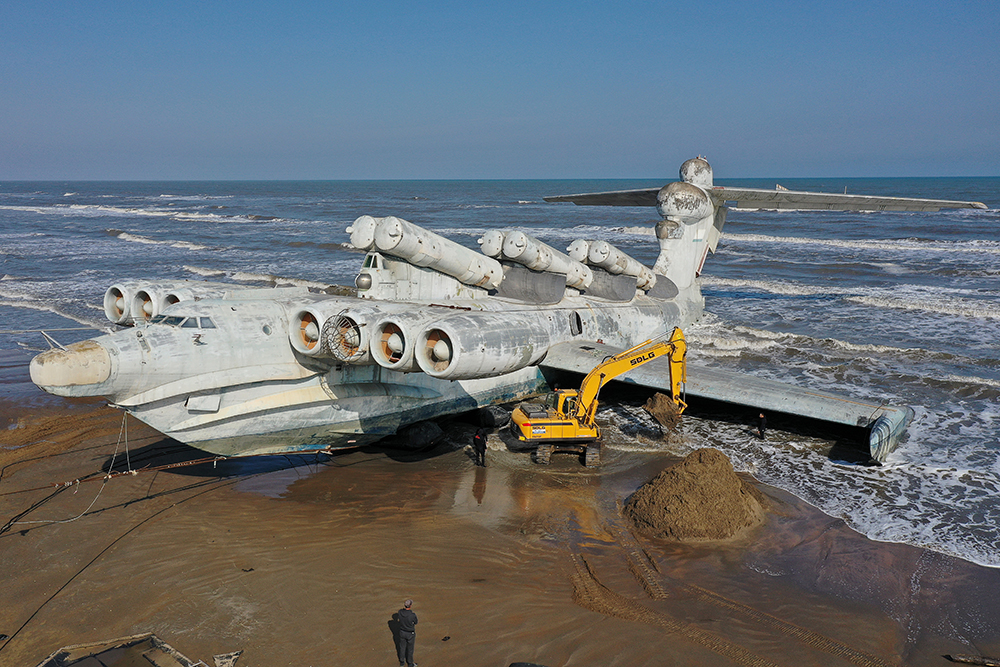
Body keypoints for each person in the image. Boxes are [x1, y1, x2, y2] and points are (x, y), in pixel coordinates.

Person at [397, 598, 418, 667]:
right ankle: (410, 663)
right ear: (410, 606)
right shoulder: (412, 615)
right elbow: (416, 622)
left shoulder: (400, 612)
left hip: (402, 632)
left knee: (402, 647)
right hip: (410, 633)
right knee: (410, 649)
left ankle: (402, 662)